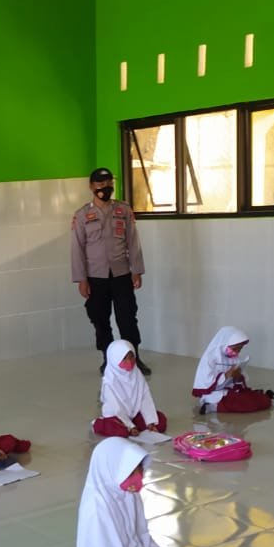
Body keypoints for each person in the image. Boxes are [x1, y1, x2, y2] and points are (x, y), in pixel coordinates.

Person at [77, 437, 204, 547]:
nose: (139, 477)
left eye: (140, 470)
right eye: (131, 472)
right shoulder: (97, 508)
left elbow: (143, 533)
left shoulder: (128, 493)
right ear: (112, 470)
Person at [70, 167, 150, 376]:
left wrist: (137, 270)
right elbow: (76, 248)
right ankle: (108, 359)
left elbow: (133, 241)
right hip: (95, 277)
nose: (105, 188)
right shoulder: (81, 216)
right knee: (99, 318)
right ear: (91, 187)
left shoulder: (123, 210)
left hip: (121, 274)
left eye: (108, 184)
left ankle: (134, 357)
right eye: (100, 184)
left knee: (128, 317)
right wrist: (81, 279)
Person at [93, 339, 167, 437]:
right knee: (120, 432)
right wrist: (130, 426)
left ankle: (136, 425)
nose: (129, 362)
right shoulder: (110, 381)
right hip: (117, 415)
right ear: (115, 360)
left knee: (160, 421)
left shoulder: (136, 373)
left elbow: (145, 398)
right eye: (124, 359)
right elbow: (116, 408)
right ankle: (99, 423)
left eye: (132, 357)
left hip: (134, 412)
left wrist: (150, 422)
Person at [192, 326, 271, 413]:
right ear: (225, 344)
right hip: (215, 393)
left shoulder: (234, 357)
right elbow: (206, 384)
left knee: (263, 400)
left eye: (240, 349)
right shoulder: (209, 359)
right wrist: (226, 375)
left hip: (230, 390)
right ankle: (211, 406)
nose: (237, 352)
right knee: (246, 403)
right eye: (235, 349)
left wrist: (238, 376)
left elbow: (239, 380)